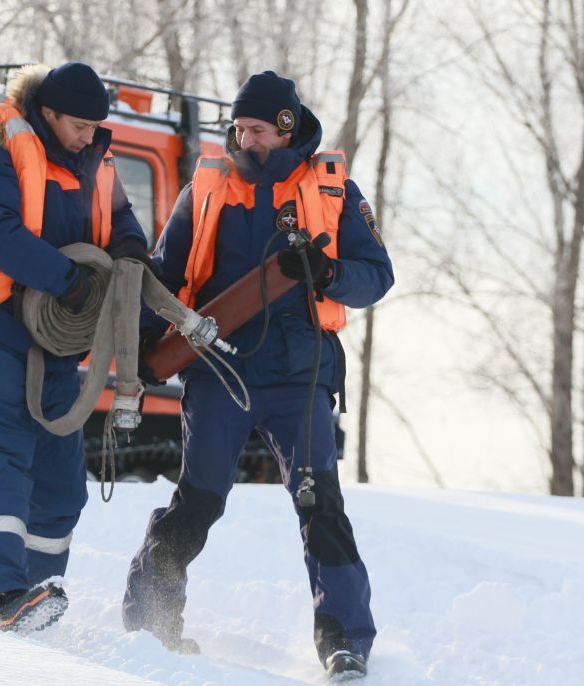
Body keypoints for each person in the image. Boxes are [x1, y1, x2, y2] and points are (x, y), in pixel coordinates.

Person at [121, 71, 393, 680]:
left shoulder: (336, 190)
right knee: (198, 502)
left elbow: (377, 274)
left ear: (287, 128)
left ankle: (345, 644)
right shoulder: (208, 185)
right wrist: (141, 336)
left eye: (258, 129)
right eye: (239, 128)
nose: (245, 139)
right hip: (218, 370)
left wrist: (326, 272)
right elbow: (165, 271)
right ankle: (149, 623)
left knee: (320, 505)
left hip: (302, 375)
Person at [0, 62, 153, 632]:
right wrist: (67, 281)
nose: (88, 135)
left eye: (94, 126)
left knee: (59, 477)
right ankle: (2, 597)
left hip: (55, 338)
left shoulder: (94, 156)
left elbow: (120, 217)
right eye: (78, 125)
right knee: (1, 453)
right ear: (47, 113)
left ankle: (40, 594)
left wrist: (129, 249)